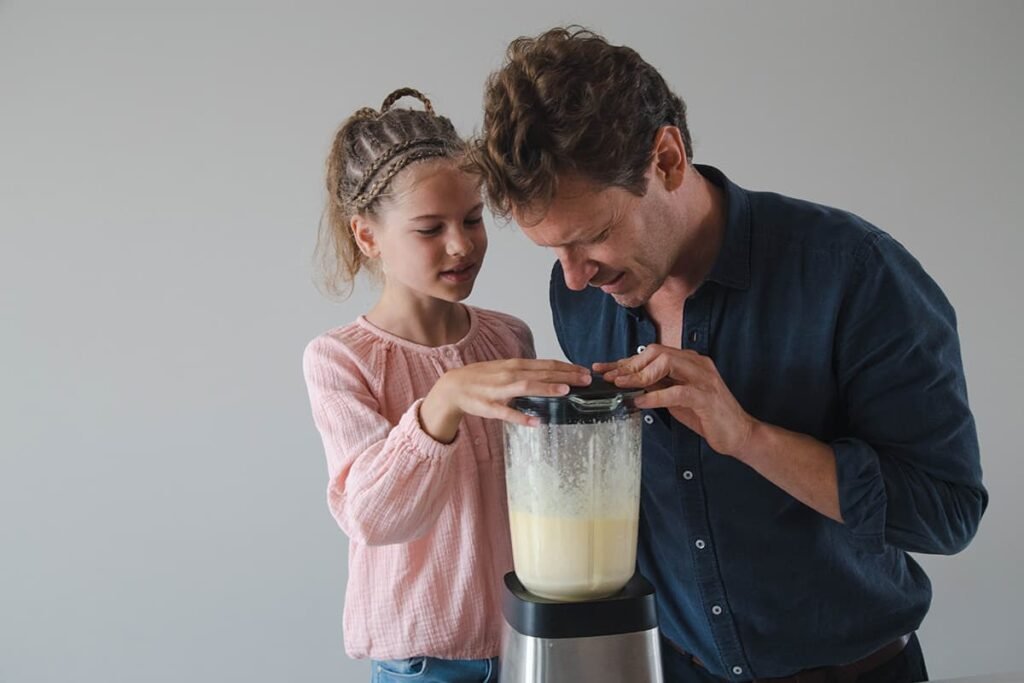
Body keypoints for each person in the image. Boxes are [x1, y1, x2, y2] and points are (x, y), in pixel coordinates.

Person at [467, 28, 987, 683]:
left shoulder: (856, 276)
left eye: (594, 236)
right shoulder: (582, 296)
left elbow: (948, 512)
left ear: (667, 158)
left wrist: (747, 436)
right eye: (553, 250)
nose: (572, 277)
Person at [302, 87, 590, 683]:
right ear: (368, 237)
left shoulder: (509, 339)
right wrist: (443, 403)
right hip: (425, 666)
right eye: (430, 228)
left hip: (528, 644)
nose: (462, 245)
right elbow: (375, 519)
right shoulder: (339, 360)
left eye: (473, 219)